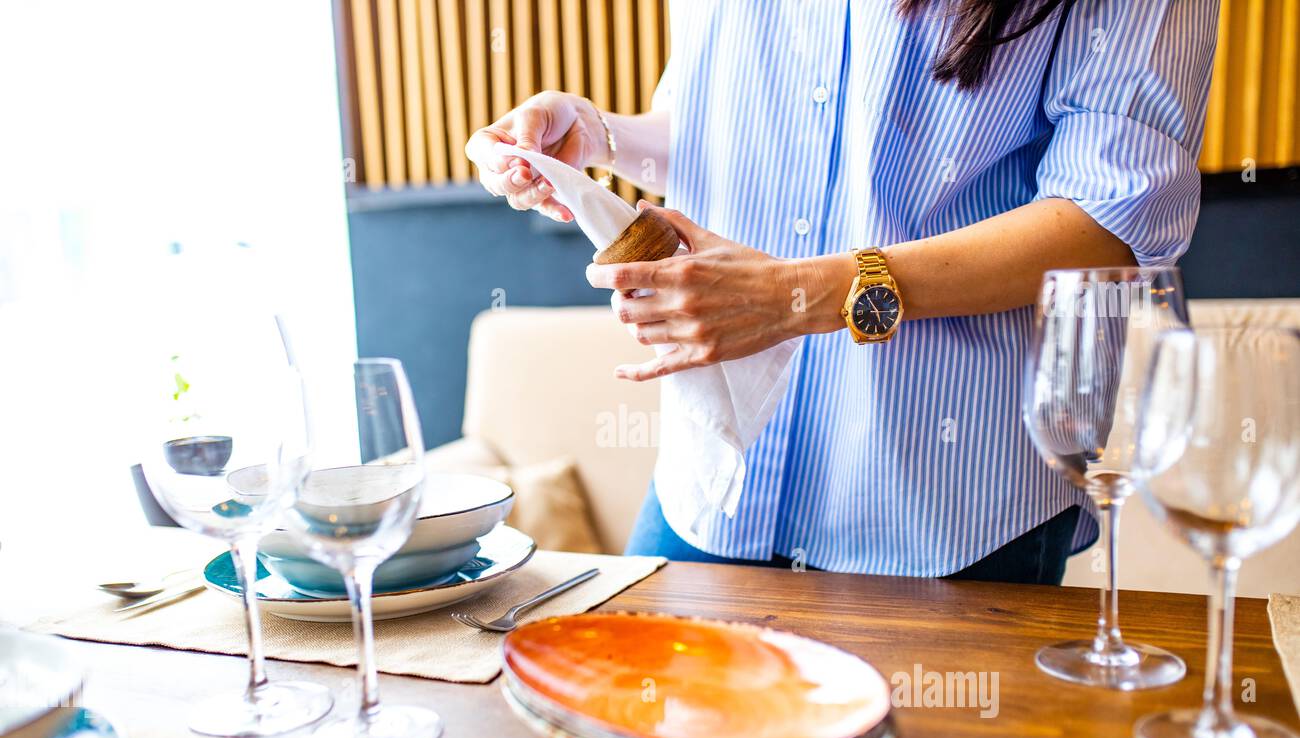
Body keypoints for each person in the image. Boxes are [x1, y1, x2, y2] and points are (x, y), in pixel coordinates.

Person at [465, 0, 1217, 584]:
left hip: (941, 505)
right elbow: (720, 132)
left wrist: (798, 295)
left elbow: (1108, 217)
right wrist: (600, 137)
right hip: (718, 479)